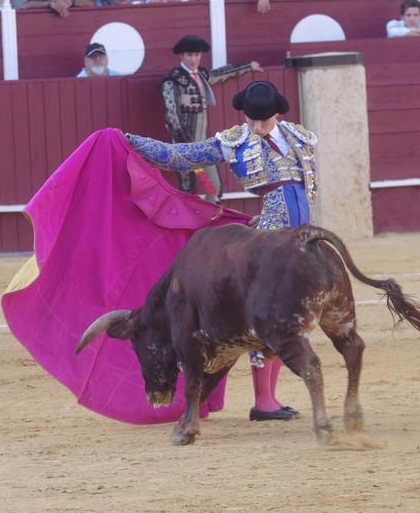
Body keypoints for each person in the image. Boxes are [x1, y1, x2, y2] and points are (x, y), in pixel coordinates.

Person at [125, 78, 315, 421]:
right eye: (252, 120)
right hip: (271, 240)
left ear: (277, 114)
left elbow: (297, 188)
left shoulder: (296, 136)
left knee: (289, 313)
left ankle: (270, 397)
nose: (257, 127)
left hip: (301, 233)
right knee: (268, 315)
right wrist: (130, 142)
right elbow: (178, 156)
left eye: (264, 120)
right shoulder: (235, 141)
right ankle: (264, 401)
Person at [159, 33, 261, 199]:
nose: (194, 59)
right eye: (190, 55)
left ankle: (211, 222)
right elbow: (172, 116)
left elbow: (222, 73)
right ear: (182, 56)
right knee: (187, 190)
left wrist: (248, 66)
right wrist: (185, 146)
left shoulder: (201, 76)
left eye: (197, 54)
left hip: (202, 147)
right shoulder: (173, 81)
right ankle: (190, 224)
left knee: (213, 188)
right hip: (184, 148)